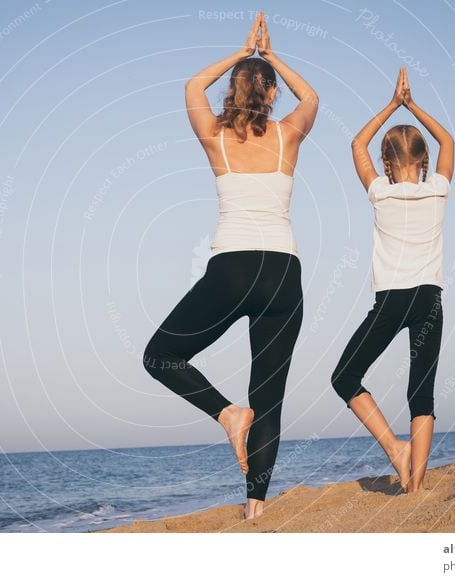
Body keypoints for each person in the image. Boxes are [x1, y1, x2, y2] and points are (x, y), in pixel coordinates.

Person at [143, 12, 318, 519]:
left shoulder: (215, 137)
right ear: (270, 96)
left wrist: (244, 54)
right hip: (285, 273)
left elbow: (194, 82)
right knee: (270, 394)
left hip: (233, 270)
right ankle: (255, 511)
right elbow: (311, 98)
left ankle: (226, 414)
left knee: (161, 355)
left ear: (234, 91)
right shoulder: (288, 135)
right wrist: (271, 56)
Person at [330, 67, 454, 493]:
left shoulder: (380, 192)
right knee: (422, 392)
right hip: (430, 301)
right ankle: (416, 484)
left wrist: (392, 104)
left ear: (385, 164)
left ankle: (395, 450)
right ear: (424, 162)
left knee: (345, 377)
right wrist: (413, 104)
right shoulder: (437, 188)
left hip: (392, 301)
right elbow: (449, 142)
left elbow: (356, 143)